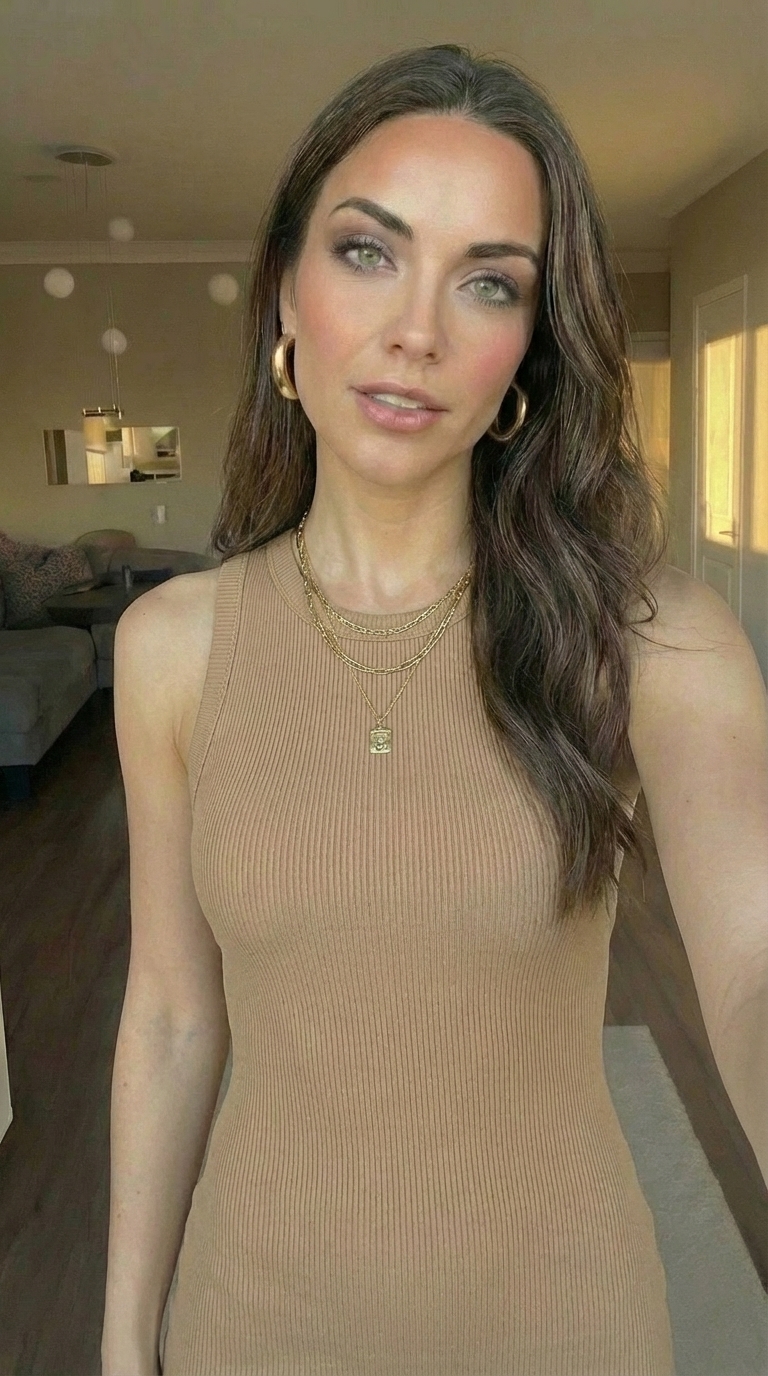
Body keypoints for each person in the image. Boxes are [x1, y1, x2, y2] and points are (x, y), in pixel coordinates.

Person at [101, 43, 768, 1376]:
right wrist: (123, 1346)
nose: (418, 330)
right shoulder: (170, 648)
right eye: (368, 252)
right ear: (286, 292)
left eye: (488, 282)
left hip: (564, 1326)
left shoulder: (652, 640)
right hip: (254, 1321)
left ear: (529, 348)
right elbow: (172, 1016)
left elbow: (755, 975)